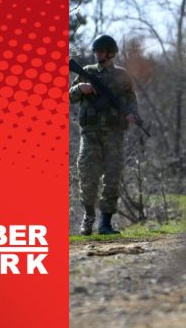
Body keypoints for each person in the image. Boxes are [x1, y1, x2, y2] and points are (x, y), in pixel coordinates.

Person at [69, 35, 138, 235]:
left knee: (112, 177)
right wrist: (79, 88)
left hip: (115, 134)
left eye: (100, 51)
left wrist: (133, 115)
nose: (97, 54)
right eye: (95, 51)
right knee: (88, 175)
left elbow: (131, 100)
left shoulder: (123, 76)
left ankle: (105, 223)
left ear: (110, 53)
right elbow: (69, 96)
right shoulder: (87, 72)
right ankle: (88, 217)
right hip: (90, 134)